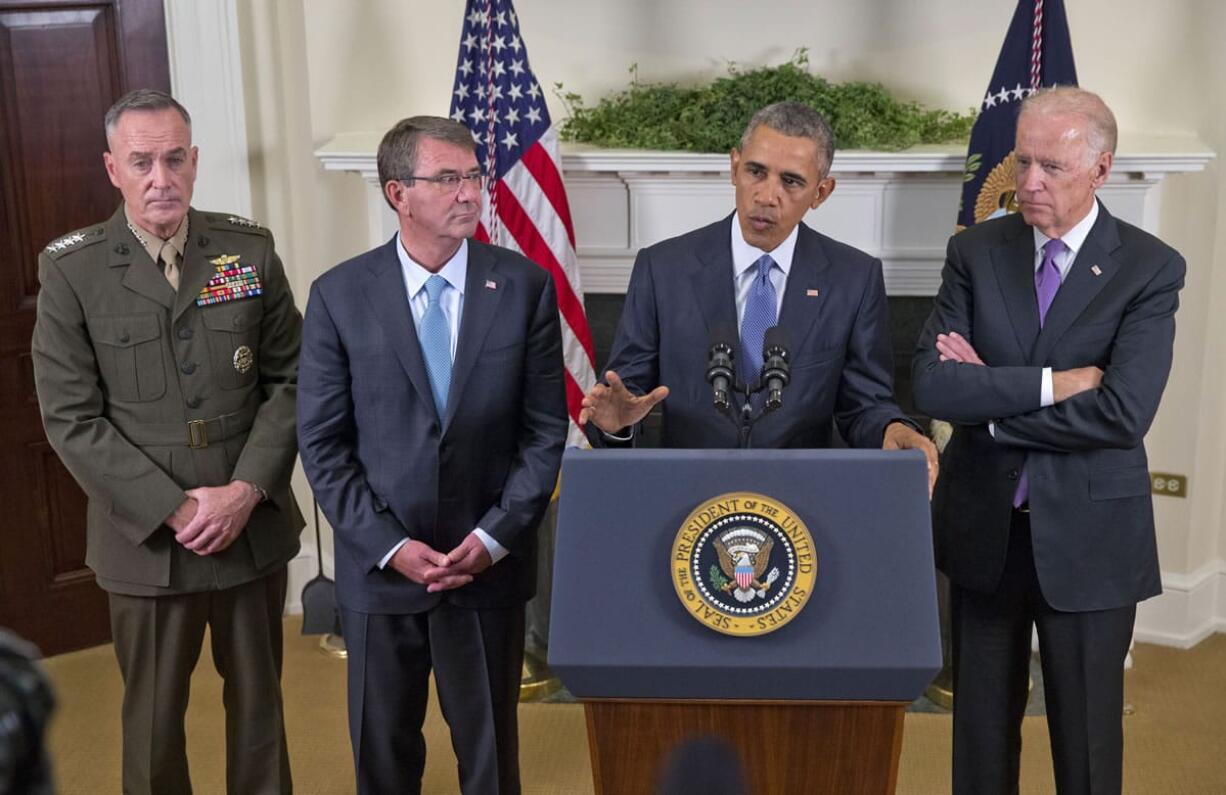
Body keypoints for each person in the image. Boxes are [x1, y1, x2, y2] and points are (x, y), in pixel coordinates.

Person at [912, 87, 1184, 793]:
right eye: (1022, 161)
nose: (1027, 182)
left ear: (1100, 169)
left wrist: (993, 405)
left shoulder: (1150, 268)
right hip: (985, 535)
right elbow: (936, 387)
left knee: (1088, 747)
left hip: (1091, 537)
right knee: (978, 745)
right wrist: (1052, 384)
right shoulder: (974, 251)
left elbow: (1123, 413)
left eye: (1051, 167)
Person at [31, 89, 302, 794]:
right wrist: (176, 509)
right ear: (112, 169)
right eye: (142, 161)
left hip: (248, 524)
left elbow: (296, 381)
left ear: (195, 161)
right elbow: (71, 419)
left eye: (174, 158)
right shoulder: (72, 271)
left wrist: (244, 491)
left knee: (261, 715)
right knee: (153, 725)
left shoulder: (248, 250)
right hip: (146, 538)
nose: (162, 177)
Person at [297, 116, 568, 795]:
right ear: (399, 193)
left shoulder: (526, 286)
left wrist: (494, 537)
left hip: (486, 571)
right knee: (382, 758)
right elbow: (324, 444)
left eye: (473, 175)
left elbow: (543, 434)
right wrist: (391, 546)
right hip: (383, 573)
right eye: (447, 178)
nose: (468, 192)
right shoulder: (339, 294)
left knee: (490, 762)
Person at [580, 102, 937, 486]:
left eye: (791, 181)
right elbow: (627, 394)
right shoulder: (663, 268)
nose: (767, 195)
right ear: (734, 167)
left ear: (821, 192)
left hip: (802, 501)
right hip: (687, 495)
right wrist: (616, 426)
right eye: (756, 171)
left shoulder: (854, 278)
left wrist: (893, 429)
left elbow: (864, 405)